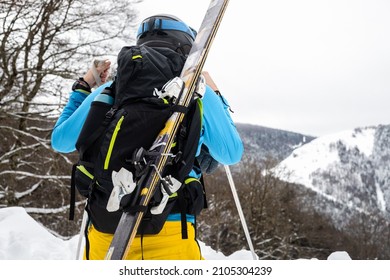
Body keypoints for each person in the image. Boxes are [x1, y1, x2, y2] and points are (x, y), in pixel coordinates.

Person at [51, 14, 243, 260]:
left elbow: (61, 141)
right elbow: (230, 153)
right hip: (171, 229)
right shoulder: (198, 91)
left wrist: (82, 87)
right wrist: (216, 93)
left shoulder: (110, 90)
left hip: (105, 232)